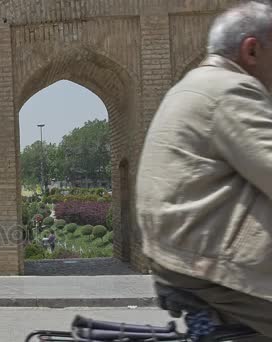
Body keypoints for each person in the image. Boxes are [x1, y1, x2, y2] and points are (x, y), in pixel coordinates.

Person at [135, 1, 272, 337]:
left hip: (181, 258)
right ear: (252, 50)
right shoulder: (230, 90)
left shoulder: (191, 85)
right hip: (215, 268)